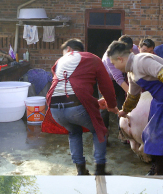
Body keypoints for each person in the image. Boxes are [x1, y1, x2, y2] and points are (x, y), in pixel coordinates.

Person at [106, 40, 163, 175]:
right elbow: (133, 95)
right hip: (161, 100)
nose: (114, 67)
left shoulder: (141, 61)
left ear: (120, 59)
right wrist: (124, 111)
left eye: (113, 64)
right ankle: (157, 166)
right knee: (149, 133)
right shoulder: (132, 72)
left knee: (156, 135)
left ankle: (161, 172)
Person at [42, 39, 118, 175]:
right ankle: (100, 169)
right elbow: (106, 86)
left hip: (54, 107)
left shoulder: (60, 61)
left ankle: (81, 170)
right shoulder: (92, 58)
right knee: (99, 129)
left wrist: (95, 102)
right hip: (75, 106)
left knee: (74, 132)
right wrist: (112, 105)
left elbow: (68, 85)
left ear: (70, 50)